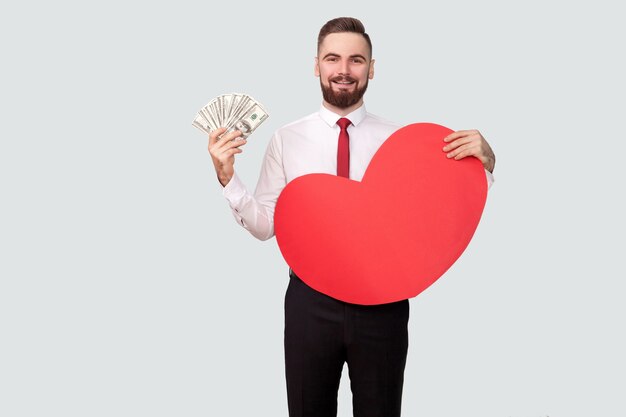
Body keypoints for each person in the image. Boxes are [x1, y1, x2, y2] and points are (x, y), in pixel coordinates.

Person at [207, 17, 495, 417]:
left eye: (356, 60)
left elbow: (443, 206)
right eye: (333, 59)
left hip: (383, 302)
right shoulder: (286, 139)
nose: (344, 70)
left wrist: (485, 164)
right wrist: (227, 178)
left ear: (372, 68)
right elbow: (265, 227)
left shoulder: (404, 141)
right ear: (316, 66)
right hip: (310, 303)